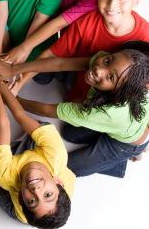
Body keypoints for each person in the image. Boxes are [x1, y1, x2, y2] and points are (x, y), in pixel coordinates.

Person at [1, 0, 149, 101]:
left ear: (136, 1)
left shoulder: (145, 35)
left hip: (113, 101)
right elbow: (51, 55)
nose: (112, 4)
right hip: (79, 85)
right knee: (45, 80)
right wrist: (20, 83)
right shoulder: (86, 23)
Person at [15, 48, 149, 178]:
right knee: (69, 133)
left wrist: (14, 99)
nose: (99, 70)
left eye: (111, 77)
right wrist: (16, 69)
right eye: (108, 61)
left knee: (66, 167)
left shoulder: (104, 112)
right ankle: (109, 135)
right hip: (124, 124)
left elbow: (46, 110)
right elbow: (62, 64)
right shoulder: (108, 62)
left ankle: (120, 163)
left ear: (118, 94)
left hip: (126, 145)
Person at [0, 79, 75, 228]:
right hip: (46, 160)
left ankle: (9, 152)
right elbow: (19, 114)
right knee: (42, 127)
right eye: (47, 195)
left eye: (32, 201)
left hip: (18, 202)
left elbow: (3, 122)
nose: (36, 191)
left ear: (20, 198)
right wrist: (0, 83)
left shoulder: (4, 175)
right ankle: (12, 150)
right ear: (57, 182)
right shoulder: (57, 155)